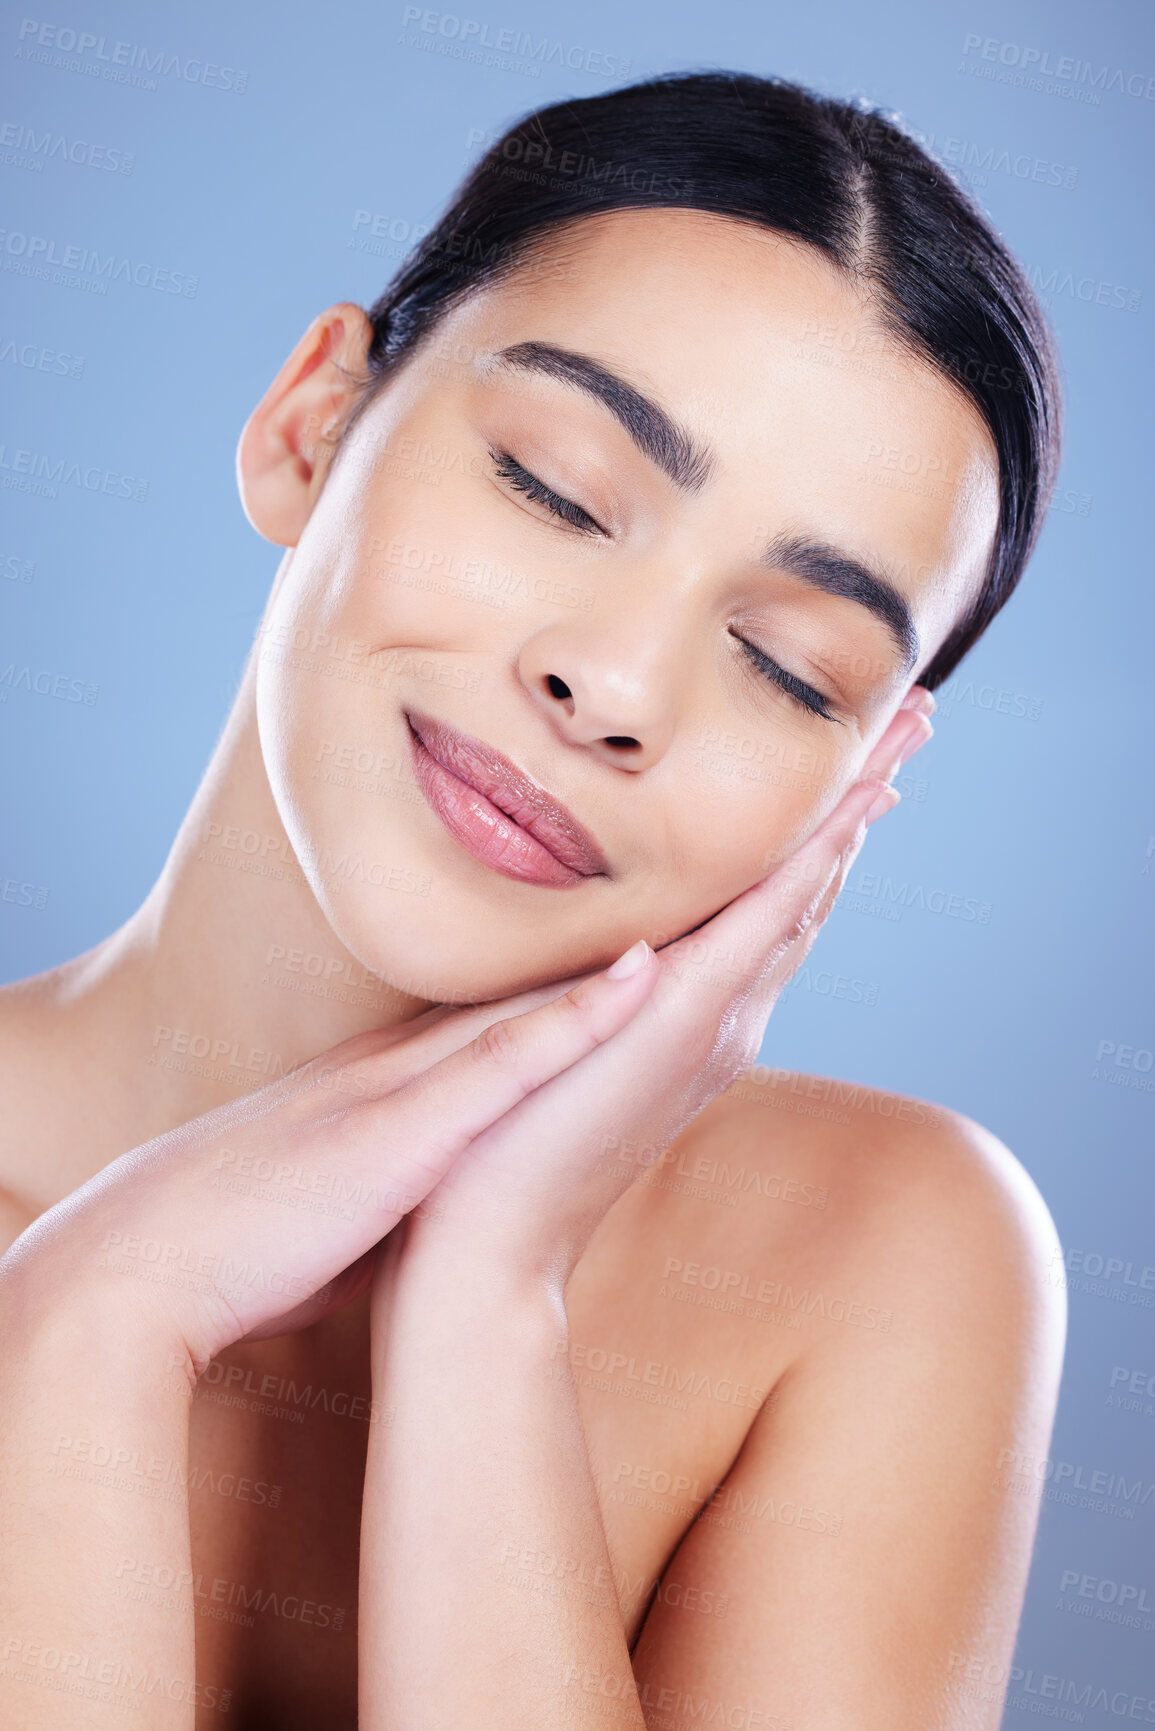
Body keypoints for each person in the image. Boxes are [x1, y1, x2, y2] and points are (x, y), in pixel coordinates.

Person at [0, 71, 1065, 1730]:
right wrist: (89, 1323)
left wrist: (492, 1293)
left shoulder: (874, 1257)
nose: (614, 681)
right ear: (311, 429)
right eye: (559, 491)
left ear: (861, 787)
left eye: (791, 667)